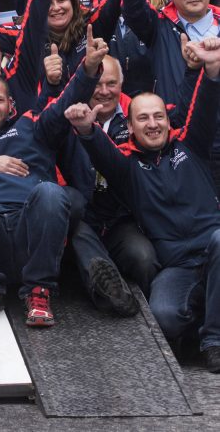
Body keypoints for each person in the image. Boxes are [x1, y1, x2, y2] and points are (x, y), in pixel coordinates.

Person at [0, 26, 108, 326]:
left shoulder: (32, 124)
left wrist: (88, 68)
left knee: (51, 192)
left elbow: (64, 102)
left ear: (10, 102)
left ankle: (39, 292)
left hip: (33, 232)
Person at [67, 36, 220, 372]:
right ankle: (204, 321)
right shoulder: (126, 165)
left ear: (167, 119)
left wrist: (210, 68)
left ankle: (213, 342)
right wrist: (85, 128)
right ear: (130, 126)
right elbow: (99, 150)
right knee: (163, 317)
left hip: (214, 248)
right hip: (179, 265)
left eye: (158, 116)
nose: (153, 124)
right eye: (143, 119)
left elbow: (206, 104)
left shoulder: (190, 143)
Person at [67, 54, 159, 299]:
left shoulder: (140, 115)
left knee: (144, 259)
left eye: (111, 83)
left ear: (122, 83)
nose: (104, 91)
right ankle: (112, 298)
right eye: (97, 84)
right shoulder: (67, 113)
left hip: (122, 218)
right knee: (79, 237)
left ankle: (154, 315)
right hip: (82, 217)